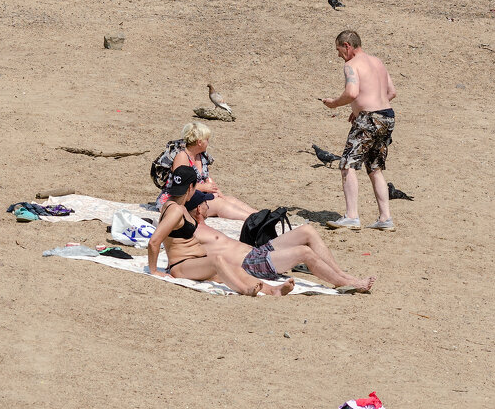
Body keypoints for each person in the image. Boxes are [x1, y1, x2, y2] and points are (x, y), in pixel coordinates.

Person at [148, 167, 294, 296]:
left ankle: (273, 290)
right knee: (217, 260)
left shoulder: (178, 205)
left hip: (193, 261)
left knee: (232, 268)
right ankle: (245, 290)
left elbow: (173, 239)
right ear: (191, 187)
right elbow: (154, 241)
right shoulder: (175, 210)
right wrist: (154, 271)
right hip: (181, 265)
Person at [321, 30, 398, 232]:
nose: (339, 56)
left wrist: (334, 104)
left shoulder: (351, 65)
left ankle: (351, 216)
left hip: (369, 119)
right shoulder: (378, 62)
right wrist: (363, 108)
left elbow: (352, 92)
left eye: (339, 50)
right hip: (387, 116)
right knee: (374, 167)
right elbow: (391, 92)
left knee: (348, 164)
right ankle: (385, 218)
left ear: (347, 45)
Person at [167, 121, 258, 221]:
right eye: (207, 139)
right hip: (182, 198)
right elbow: (180, 184)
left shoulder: (201, 156)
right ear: (199, 142)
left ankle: (260, 215)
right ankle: (253, 220)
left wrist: (216, 190)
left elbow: (206, 178)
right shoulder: (182, 156)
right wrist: (204, 187)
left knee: (230, 199)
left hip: (199, 195)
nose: (208, 142)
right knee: (219, 204)